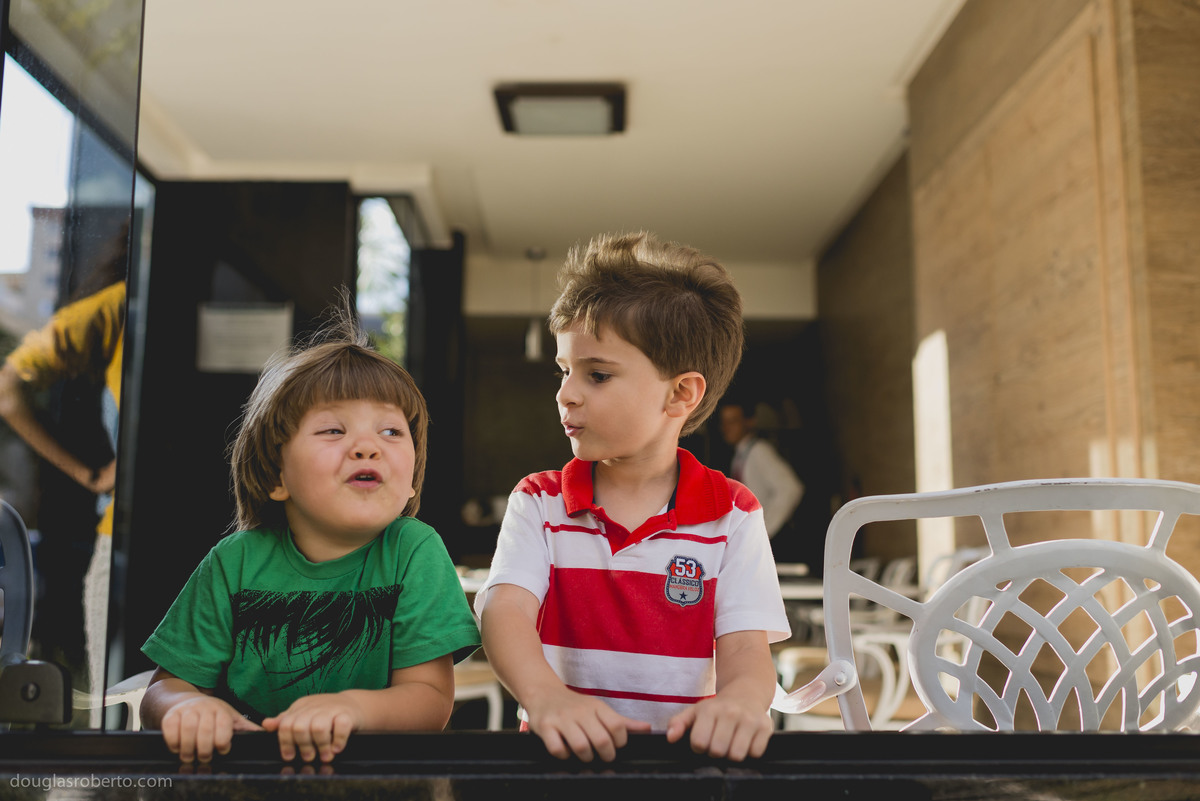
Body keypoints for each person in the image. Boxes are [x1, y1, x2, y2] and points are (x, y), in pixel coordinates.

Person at [475, 232, 790, 763]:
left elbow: (745, 649)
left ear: (680, 394)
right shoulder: (539, 502)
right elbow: (504, 614)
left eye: (596, 374)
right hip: (555, 765)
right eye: (564, 370)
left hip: (681, 770)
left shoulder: (733, 514)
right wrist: (547, 698)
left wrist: (739, 703)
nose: (565, 393)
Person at [139, 307, 481, 764]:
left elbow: (430, 700)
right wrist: (188, 707)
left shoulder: (413, 549)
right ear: (275, 476)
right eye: (333, 430)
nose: (367, 445)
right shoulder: (234, 561)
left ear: (412, 479)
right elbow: (162, 690)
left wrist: (351, 709)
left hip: (378, 782)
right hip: (244, 779)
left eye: (391, 431)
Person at [0, 278, 125, 724]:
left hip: (197, 540)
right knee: (107, 700)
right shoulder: (118, 305)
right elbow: (8, 388)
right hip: (122, 534)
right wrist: (90, 475)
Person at [719, 401, 804, 540]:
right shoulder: (739, 456)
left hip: (770, 539)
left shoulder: (759, 451)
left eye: (733, 421)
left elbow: (791, 489)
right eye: (724, 422)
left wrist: (765, 528)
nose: (727, 428)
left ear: (749, 422)